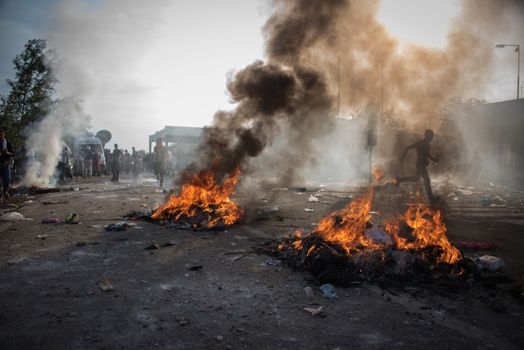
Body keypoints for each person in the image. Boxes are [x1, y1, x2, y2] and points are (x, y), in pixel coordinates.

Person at [396, 129, 439, 205]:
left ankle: (399, 179)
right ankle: (431, 199)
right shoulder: (421, 143)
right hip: (420, 164)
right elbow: (408, 148)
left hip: (422, 164)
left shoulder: (426, 143)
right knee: (427, 181)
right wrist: (402, 158)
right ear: (427, 136)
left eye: (432, 136)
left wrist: (433, 159)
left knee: (416, 178)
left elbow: (426, 153)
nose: (432, 138)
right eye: (431, 136)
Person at [0, 131, 13, 202]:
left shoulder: (7, 144)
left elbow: (13, 154)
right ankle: (0, 197)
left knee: (7, 180)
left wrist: (7, 152)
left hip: (6, 164)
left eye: (2, 135)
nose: (1, 136)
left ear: (4, 135)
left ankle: (5, 192)